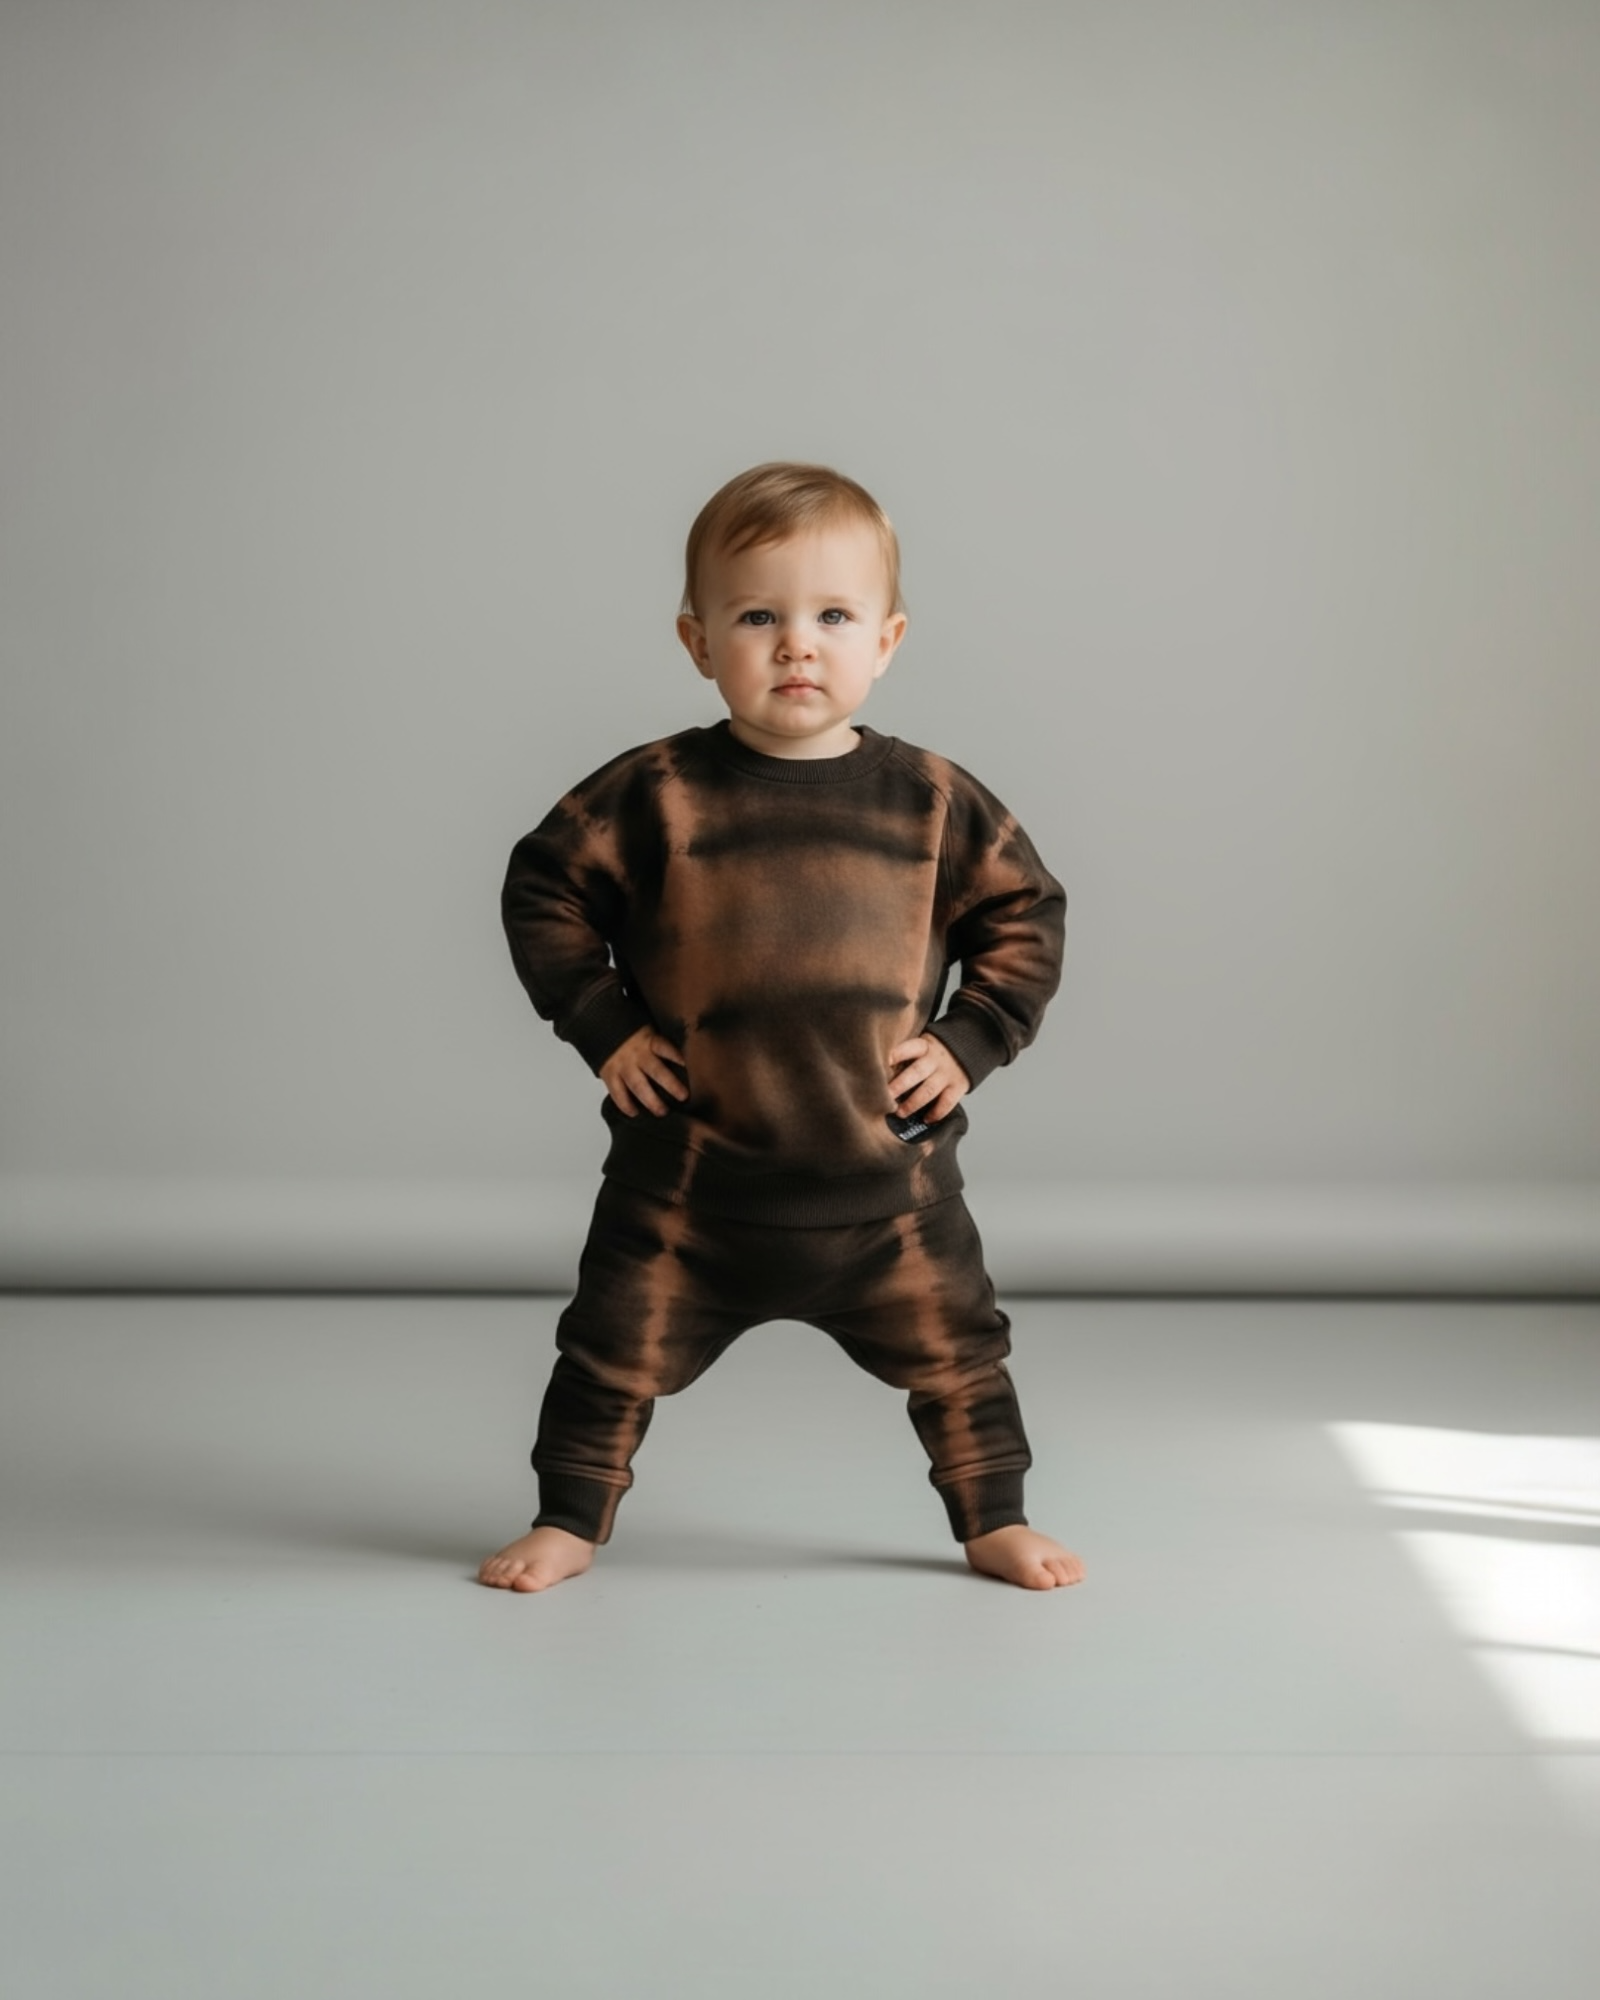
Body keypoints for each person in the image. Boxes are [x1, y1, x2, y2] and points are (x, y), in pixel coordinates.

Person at [478, 461, 1085, 1595]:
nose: (797, 645)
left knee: (962, 1360)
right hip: (685, 1188)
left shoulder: (934, 802)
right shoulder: (654, 793)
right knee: (607, 1356)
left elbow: (1026, 915)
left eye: (833, 617)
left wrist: (971, 1040)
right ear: (698, 641)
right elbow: (544, 889)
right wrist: (605, 1027)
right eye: (758, 617)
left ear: (887, 641)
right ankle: (568, 1517)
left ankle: (993, 1517)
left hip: (889, 1188)